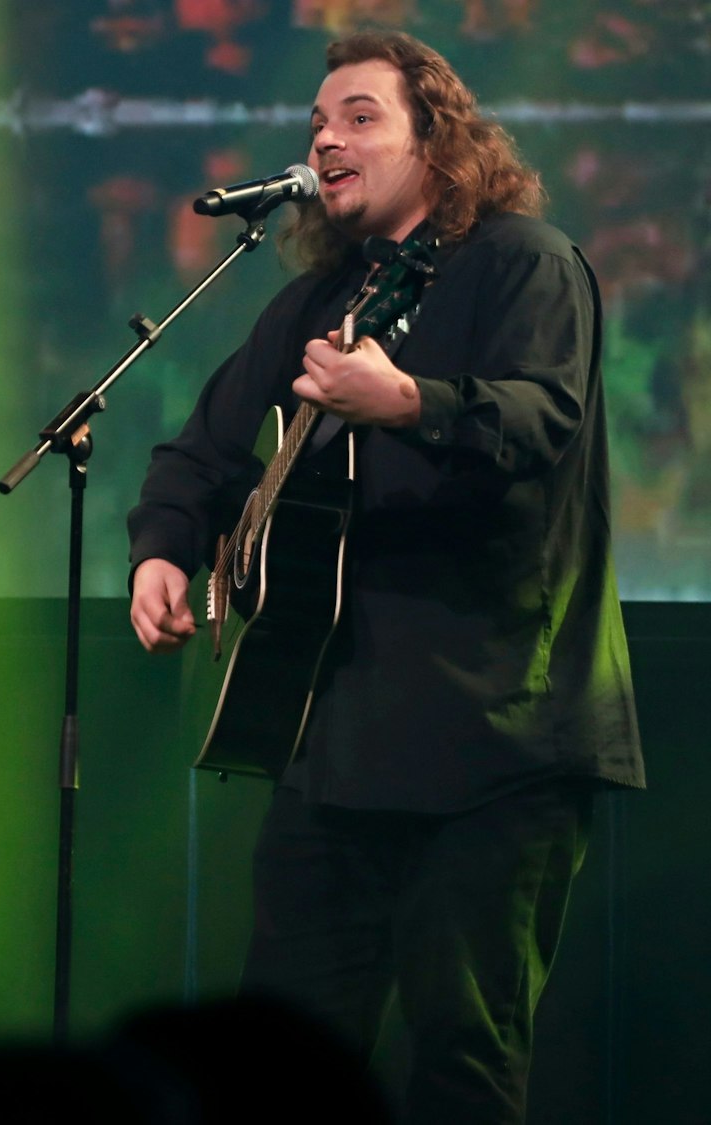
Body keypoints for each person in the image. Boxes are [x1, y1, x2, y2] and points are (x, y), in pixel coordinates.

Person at [126, 32, 642, 1125]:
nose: (324, 138)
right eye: (316, 121)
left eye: (358, 116)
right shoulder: (319, 299)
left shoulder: (523, 261)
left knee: (461, 1053)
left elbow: (545, 419)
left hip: (497, 739)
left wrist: (409, 401)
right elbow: (199, 453)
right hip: (333, 746)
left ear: (436, 143)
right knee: (282, 1059)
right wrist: (163, 550)